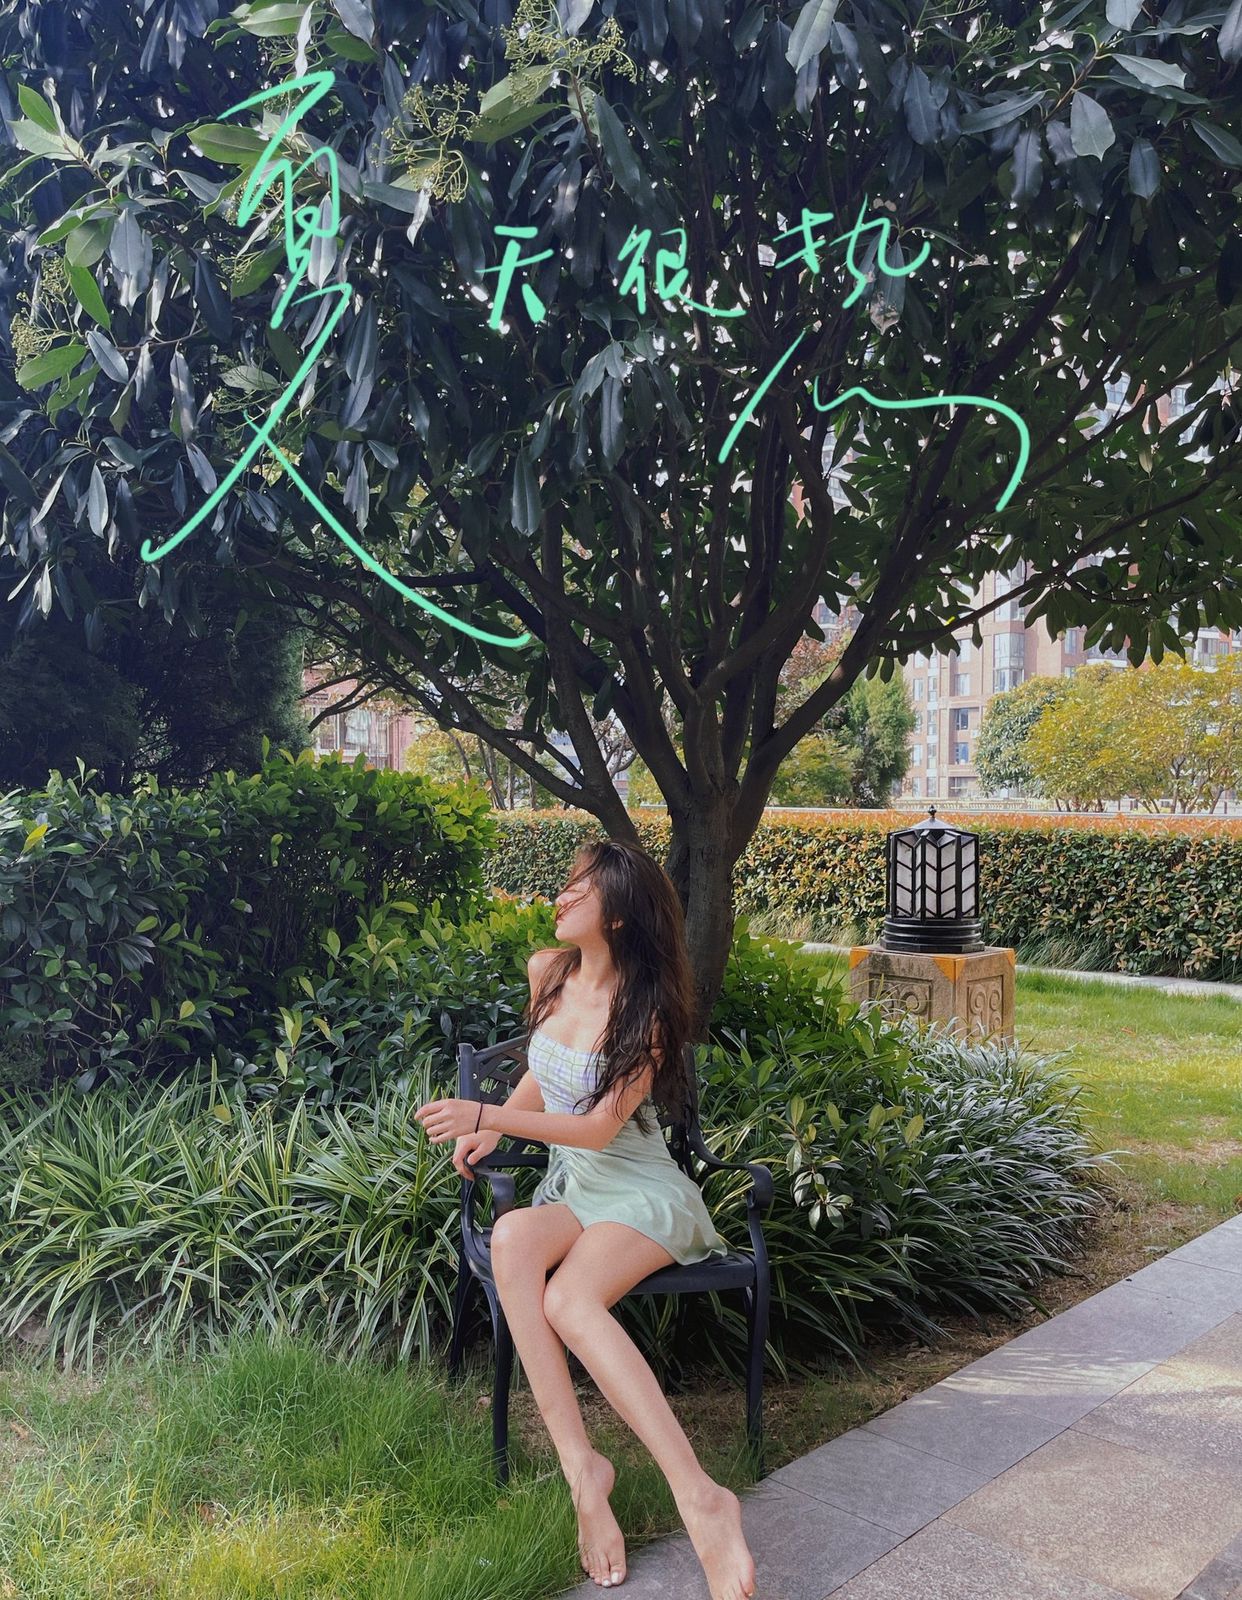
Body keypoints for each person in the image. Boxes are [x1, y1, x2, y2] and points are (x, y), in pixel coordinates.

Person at [414, 839, 759, 1600]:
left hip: (637, 1184)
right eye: (567, 884)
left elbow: (602, 1128)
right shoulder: (547, 971)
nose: (562, 897)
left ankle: (701, 1497)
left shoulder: (649, 1010)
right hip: (576, 1183)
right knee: (512, 1237)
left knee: (569, 1300)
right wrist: (496, 1128)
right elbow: (548, 1069)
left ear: (620, 916)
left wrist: (484, 1112)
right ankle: (583, 1471)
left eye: (581, 889)